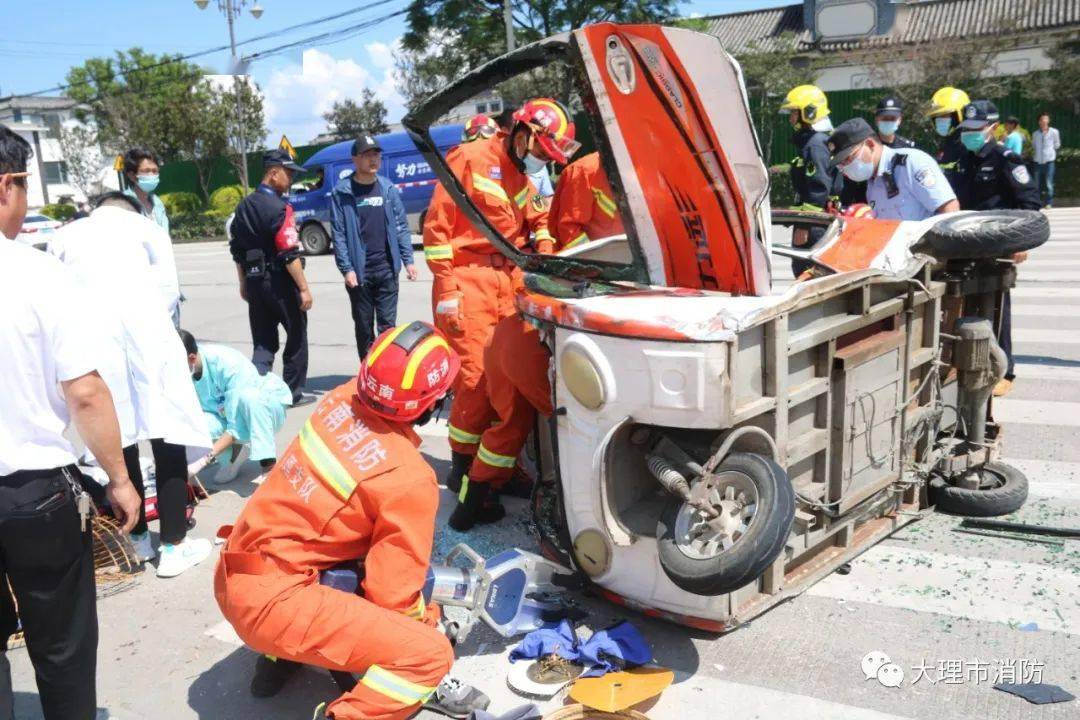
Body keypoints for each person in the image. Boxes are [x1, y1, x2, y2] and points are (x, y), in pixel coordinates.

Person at [214, 321, 487, 720]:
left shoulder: (338, 400)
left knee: (338, 557)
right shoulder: (407, 478)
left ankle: (278, 659)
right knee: (427, 656)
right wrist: (426, 624)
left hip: (236, 565)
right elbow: (392, 594)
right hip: (272, 602)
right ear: (430, 404)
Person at [0, 125, 141, 719]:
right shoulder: (35, 274)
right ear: (8, 186)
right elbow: (84, 391)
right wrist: (120, 477)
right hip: (31, 492)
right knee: (61, 647)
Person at [423, 98, 577, 512]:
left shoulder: (523, 179)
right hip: (466, 281)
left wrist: (545, 250)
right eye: (542, 152)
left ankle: (497, 468)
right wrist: (448, 290)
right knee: (473, 380)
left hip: (507, 282)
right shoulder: (469, 157)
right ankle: (462, 467)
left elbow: (538, 223)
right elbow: (436, 227)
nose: (543, 161)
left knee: (505, 380)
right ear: (523, 133)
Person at [47, 192, 213, 576]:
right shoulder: (147, 228)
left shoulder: (65, 236)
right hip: (149, 338)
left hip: (91, 342)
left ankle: (136, 537)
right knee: (165, 437)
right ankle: (173, 545)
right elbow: (169, 292)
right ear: (130, 210)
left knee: (118, 440)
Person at [957, 100, 1042, 398]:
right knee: (967, 305)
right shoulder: (964, 159)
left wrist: (1020, 243)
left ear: (992, 128)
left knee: (997, 306)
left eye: (975, 129)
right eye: (965, 129)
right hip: (967, 245)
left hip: (998, 246)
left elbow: (1030, 204)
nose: (969, 134)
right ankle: (972, 365)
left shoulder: (1007, 159)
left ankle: (1006, 370)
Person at [230, 149, 314, 405]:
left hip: (255, 283)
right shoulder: (280, 208)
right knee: (297, 338)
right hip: (281, 283)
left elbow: (237, 249)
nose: (290, 180)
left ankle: (254, 391)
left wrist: (243, 282)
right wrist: (304, 288)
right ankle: (290, 394)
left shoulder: (242, 207)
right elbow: (289, 253)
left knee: (263, 343)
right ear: (273, 173)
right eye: (288, 174)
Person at [453, 315, 553, 530]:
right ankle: (469, 505)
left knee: (508, 425)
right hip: (527, 342)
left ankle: (468, 506)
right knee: (564, 420)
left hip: (508, 333)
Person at [331, 134, 417, 358]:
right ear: (354, 159)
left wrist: (408, 260)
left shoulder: (387, 189)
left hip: (387, 269)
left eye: (376, 154)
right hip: (360, 274)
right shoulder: (342, 193)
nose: (373, 159)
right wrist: (346, 269)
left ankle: (386, 375)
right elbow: (338, 233)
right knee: (364, 328)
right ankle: (368, 374)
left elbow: (400, 226)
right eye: (367, 155)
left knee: (388, 328)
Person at [180, 330, 292, 485]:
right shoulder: (185, 368)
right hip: (222, 413)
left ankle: (268, 464)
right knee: (192, 423)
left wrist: (202, 461)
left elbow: (235, 426)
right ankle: (233, 457)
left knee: (251, 399)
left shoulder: (227, 364)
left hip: (261, 410)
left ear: (191, 358)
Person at [827, 117, 958, 221]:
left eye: (849, 158)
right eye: (841, 164)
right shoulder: (873, 182)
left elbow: (949, 209)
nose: (845, 167)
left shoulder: (911, 163)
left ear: (870, 144)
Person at [779, 84, 842, 275]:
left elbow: (819, 187)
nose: (791, 118)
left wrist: (805, 225)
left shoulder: (815, 145)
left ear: (808, 113)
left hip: (815, 226)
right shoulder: (813, 142)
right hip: (814, 223)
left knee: (806, 273)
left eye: (794, 113)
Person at [548, 151, 623, 251]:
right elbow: (569, 229)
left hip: (625, 256)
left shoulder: (640, 167)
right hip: (590, 259)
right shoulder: (583, 170)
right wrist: (594, 258)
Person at [926, 86, 970, 197]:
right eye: (936, 116)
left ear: (960, 115)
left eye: (945, 115)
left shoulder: (968, 147)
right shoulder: (947, 143)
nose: (940, 120)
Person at [121, 146, 169, 233]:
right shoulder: (122, 204)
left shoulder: (157, 203)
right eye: (146, 171)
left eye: (155, 171)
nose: (151, 175)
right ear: (132, 175)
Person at [1032, 112, 1061, 208]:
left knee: (1049, 183)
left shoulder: (1054, 132)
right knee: (1037, 184)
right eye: (1042, 119)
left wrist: (1050, 153)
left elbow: (1057, 145)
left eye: (1046, 119)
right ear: (1039, 122)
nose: (1044, 121)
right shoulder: (1035, 134)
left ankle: (1049, 203)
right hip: (1037, 162)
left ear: (1048, 120)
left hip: (1049, 162)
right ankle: (1038, 202)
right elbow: (1034, 146)